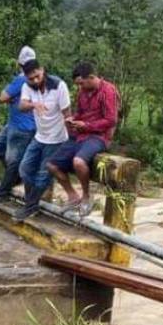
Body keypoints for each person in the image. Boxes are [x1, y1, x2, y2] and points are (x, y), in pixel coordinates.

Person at [48, 61, 119, 216]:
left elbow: (111, 120)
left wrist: (86, 125)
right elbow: (80, 113)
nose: (79, 87)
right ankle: (73, 196)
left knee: (78, 162)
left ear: (91, 77)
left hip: (99, 136)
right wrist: (72, 119)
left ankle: (86, 197)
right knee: (52, 165)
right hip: (80, 135)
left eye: (81, 83)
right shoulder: (82, 93)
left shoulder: (108, 91)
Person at [16, 59, 72, 220]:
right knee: (25, 169)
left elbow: (67, 113)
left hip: (56, 138)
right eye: (31, 78)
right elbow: (21, 105)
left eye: (37, 76)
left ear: (42, 70)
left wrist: (71, 139)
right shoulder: (27, 86)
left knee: (42, 175)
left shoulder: (58, 85)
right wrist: (34, 104)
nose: (35, 80)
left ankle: (30, 207)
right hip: (40, 136)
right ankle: (31, 204)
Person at [0, 45, 39, 206]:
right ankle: (15, 178)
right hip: (15, 124)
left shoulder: (21, 79)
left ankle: (2, 192)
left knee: (13, 160)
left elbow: (2, 97)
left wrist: (11, 97)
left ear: (19, 63)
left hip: (22, 127)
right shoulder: (34, 79)